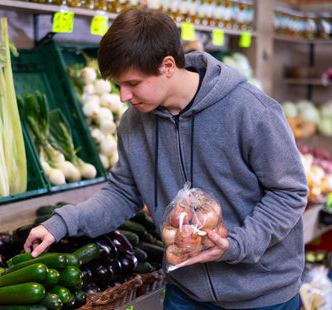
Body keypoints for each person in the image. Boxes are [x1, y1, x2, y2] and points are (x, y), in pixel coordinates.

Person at [24, 8, 308, 310]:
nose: (124, 96)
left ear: (168, 65)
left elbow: (289, 192)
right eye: (119, 85)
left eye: (133, 83)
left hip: (261, 295)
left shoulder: (250, 111)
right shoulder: (134, 123)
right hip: (186, 292)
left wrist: (239, 243)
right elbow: (122, 193)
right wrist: (62, 223)